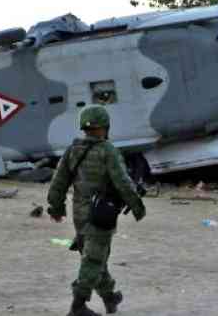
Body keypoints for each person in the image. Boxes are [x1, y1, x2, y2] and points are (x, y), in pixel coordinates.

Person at [48, 105, 146, 316]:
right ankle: (78, 305)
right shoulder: (107, 150)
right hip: (101, 212)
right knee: (93, 259)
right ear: (105, 126)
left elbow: (59, 182)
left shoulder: (73, 150)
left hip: (80, 213)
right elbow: (122, 182)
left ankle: (110, 297)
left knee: (95, 255)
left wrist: (55, 207)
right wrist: (137, 205)